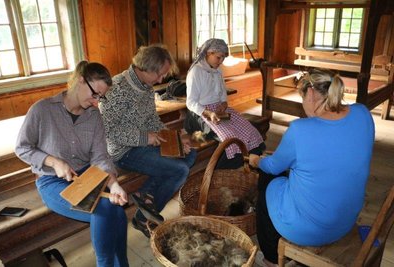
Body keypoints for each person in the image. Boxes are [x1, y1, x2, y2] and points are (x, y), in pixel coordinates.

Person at [248, 68, 375, 267]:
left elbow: (273, 166)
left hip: (309, 231)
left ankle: (271, 258)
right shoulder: (362, 113)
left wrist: (256, 161)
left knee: (268, 179)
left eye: (302, 97)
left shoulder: (300, 130)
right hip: (345, 221)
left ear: (311, 93)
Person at [15, 61, 129, 267]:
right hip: (51, 181)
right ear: (80, 81)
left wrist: (114, 184)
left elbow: (100, 156)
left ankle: (120, 264)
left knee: (115, 210)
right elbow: (22, 148)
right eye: (95, 95)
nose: (96, 103)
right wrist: (53, 161)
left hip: (87, 174)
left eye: (100, 98)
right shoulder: (42, 110)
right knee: (105, 210)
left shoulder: (94, 116)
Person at [99, 44, 197, 237]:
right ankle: (145, 217)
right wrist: (146, 137)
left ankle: (145, 196)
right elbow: (107, 131)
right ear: (144, 68)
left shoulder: (145, 86)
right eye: (159, 75)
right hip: (123, 151)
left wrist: (175, 140)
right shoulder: (116, 89)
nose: (161, 79)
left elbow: (153, 120)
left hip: (145, 145)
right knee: (179, 170)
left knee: (190, 152)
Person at [184, 38, 265, 169]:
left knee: (250, 131)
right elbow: (191, 102)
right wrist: (209, 113)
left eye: (223, 58)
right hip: (199, 114)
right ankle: (218, 172)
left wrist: (223, 104)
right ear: (208, 53)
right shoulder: (196, 72)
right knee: (231, 139)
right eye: (218, 57)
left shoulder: (218, 71)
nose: (221, 61)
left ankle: (250, 164)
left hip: (218, 110)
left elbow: (222, 93)